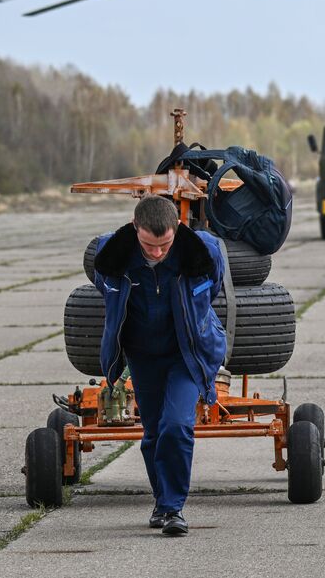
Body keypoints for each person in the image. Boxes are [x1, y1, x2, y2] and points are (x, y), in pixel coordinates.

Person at [90, 195, 227, 537]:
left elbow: (211, 290)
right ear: (135, 227)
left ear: (177, 229)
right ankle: (161, 502)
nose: (156, 252)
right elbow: (108, 295)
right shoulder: (111, 256)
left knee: (177, 424)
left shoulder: (202, 252)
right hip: (142, 355)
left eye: (164, 244)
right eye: (149, 245)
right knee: (152, 433)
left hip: (186, 353)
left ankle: (173, 508)